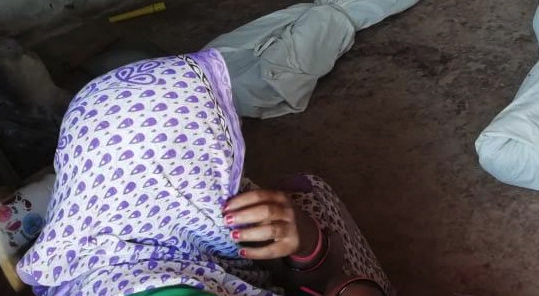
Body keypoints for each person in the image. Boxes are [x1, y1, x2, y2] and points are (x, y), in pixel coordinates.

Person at [15, 50, 392, 296]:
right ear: (175, 182)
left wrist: (306, 243)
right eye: (215, 161)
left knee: (293, 202)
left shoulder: (88, 244)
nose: (233, 173)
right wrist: (344, 280)